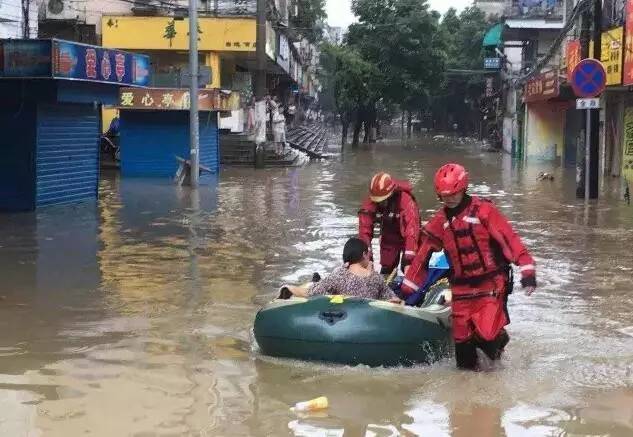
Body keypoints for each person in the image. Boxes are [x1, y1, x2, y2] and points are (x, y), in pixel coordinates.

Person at [400, 163, 536, 370]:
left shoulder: (485, 211)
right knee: (463, 356)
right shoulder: (440, 221)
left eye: (454, 193)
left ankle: (499, 342)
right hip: (461, 289)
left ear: (463, 188)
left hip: (490, 284)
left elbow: (510, 239)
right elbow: (422, 256)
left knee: (487, 337)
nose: (450, 199)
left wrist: (527, 270)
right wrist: (406, 291)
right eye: (445, 196)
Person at [281, 238, 401, 302]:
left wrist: (289, 288)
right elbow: (394, 300)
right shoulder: (376, 278)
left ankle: (312, 281)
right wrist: (370, 271)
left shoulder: (339, 275)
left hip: (341, 314)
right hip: (366, 320)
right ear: (364, 254)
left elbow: (310, 293)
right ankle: (316, 280)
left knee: (318, 286)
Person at [358, 172, 420, 276]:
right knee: (387, 269)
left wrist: (409, 260)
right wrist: (368, 260)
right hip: (389, 234)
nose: (380, 203)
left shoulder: (405, 201)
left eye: (383, 200)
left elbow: (412, 230)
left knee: (409, 268)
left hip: (408, 236)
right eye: (377, 200)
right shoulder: (371, 202)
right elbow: (364, 231)